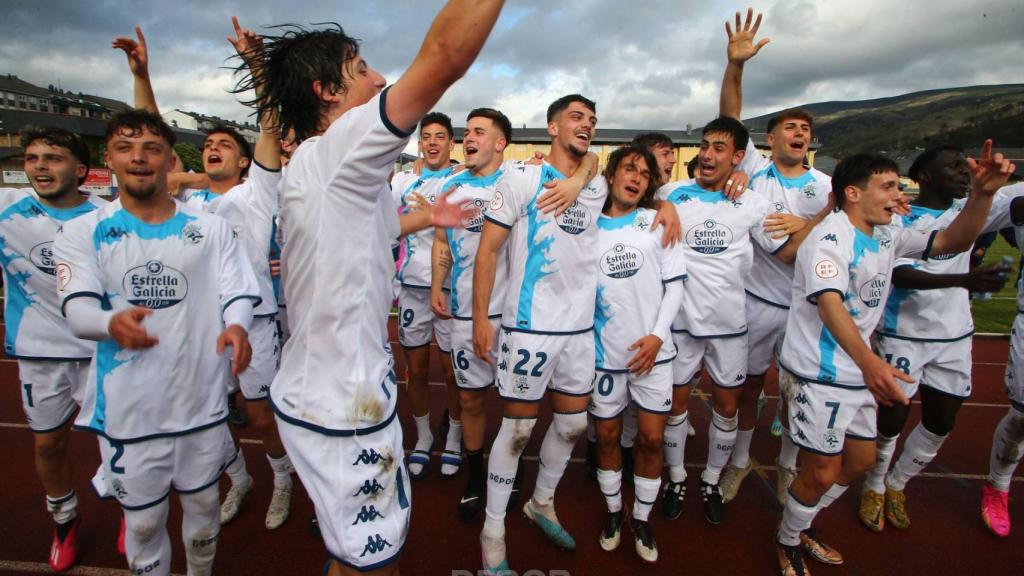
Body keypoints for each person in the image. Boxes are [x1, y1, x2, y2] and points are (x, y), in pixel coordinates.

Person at [242, 3, 505, 574]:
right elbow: (445, 57)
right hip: (341, 408)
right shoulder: (337, 151)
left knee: (358, 559)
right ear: (327, 91)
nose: (380, 78)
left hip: (336, 394)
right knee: (372, 566)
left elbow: (373, 225)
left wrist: (424, 218)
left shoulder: (317, 169)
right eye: (361, 68)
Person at [774, 144, 1014, 576]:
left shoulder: (886, 233)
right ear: (852, 193)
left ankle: (801, 518)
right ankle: (788, 538)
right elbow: (831, 306)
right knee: (824, 472)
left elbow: (952, 240)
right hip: (818, 373)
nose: (896, 194)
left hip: (859, 369)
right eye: (886, 186)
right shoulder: (827, 240)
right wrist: (871, 364)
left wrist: (982, 195)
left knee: (862, 463)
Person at [473, 94, 679, 572]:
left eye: (592, 119)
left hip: (581, 329)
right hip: (529, 327)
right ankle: (493, 533)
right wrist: (483, 317)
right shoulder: (522, 177)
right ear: (551, 126)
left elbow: (639, 187)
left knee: (571, 425)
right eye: (576, 118)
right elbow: (488, 251)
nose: (586, 125)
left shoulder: (593, 184)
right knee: (519, 429)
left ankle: (540, 502)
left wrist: (666, 205)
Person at [54, 109, 258, 576]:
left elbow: (238, 291)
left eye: (151, 148)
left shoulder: (209, 228)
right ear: (109, 159)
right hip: (130, 411)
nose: (139, 157)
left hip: (201, 403)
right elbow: (76, 310)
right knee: (144, 528)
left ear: (170, 159)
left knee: (204, 515)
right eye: (126, 148)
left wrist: (238, 325)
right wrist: (110, 324)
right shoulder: (83, 232)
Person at [114, 20, 293, 529]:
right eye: (208, 143)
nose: (213, 147)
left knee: (261, 416)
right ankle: (239, 478)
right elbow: (150, 136)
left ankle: (282, 479)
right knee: (208, 420)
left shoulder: (254, 196)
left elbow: (270, 128)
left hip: (253, 324)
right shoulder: (183, 202)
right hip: (193, 326)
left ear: (243, 160)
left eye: (225, 144)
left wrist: (258, 66)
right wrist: (142, 75)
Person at [656, 114, 804, 526]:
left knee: (726, 409)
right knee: (674, 408)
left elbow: (787, 253)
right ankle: (676, 478)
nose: (706, 154)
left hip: (730, 327)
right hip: (681, 324)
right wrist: (661, 201)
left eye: (718, 148)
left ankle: (710, 479)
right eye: (704, 146)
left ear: (738, 157)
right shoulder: (671, 192)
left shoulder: (752, 201)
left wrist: (816, 220)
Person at [861, 146, 1017, 532]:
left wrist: (987, 184)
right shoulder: (898, 217)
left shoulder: (971, 208)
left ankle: (898, 483)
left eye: (963, 167)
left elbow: (1012, 197)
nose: (962, 173)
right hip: (904, 334)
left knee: (942, 419)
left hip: (954, 337)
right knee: (892, 417)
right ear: (925, 176)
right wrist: (964, 280)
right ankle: (875, 484)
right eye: (951, 167)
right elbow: (900, 273)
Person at [715, 8, 835, 505]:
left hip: (808, 306)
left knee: (796, 393)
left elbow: (834, 236)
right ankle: (740, 461)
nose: (798, 134)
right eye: (789, 127)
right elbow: (729, 120)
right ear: (769, 140)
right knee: (747, 388)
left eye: (805, 129)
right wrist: (736, 66)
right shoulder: (755, 173)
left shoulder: (828, 189)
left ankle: (787, 467)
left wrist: (809, 224)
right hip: (756, 301)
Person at [0, 126, 106, 571]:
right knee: (48, 445)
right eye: (33, 158)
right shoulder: (7, 214)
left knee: (119, 445)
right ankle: (64, 521)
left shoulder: (106, 217)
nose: (40, 166)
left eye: (53, 158)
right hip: (39, 354)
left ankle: (130, 511)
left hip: (102, 354)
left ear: (80, 170)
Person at [590, 145, 686, 563]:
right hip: (604, 354)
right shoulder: (586, 225)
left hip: (654, 354)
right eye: (628, 169)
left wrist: (657, 337)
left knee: (650, 438)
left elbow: (675, 285)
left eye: (644, 174)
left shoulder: (657, 221)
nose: (635, 178)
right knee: (607, 436)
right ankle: (614, 511)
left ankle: (642, 518)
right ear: (611, 176)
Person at [392, 111, 461, 479]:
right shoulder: (403, 181)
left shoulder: (463, 179)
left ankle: (454, 436)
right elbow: (387, 229)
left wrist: (436, 214)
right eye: (427, 137)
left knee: (453, 374)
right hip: (412, 291)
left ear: (452, 143)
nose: (432, 142)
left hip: (452, 292)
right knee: (415, 372)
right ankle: (423, 437)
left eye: (440, 136)